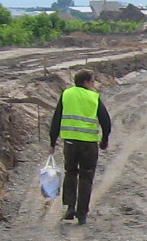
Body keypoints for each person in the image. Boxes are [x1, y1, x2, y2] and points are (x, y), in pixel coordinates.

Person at [47, 70, 112, 225]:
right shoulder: (94, 97)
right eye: (92, 81)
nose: (94, 84)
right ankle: (82, 214)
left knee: (70, 172)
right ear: (86, 82)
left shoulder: (66, 94)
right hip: (89, 144)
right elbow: (106, 121)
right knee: (86, 177)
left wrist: (52, 142)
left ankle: (70, 207)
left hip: (70, 142)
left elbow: (56, 119)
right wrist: (104, 140)